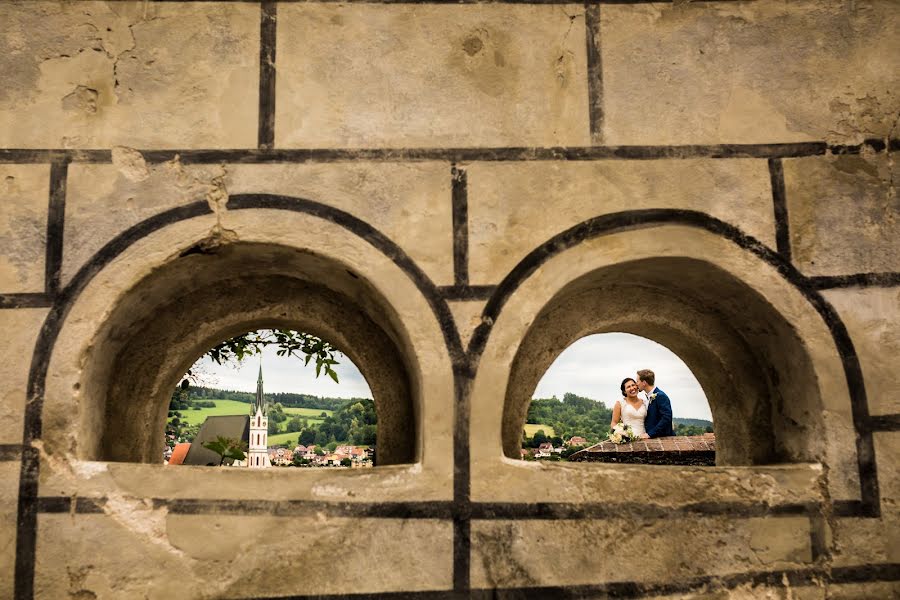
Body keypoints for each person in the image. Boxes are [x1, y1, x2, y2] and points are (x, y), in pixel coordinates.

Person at [636, 369, 674, 439]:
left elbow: (666, 418)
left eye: (637, 381)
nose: (636, 384)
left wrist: (650, 434)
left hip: (663, 439)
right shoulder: (647, 397)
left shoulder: (661, 396)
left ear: (644, 382)